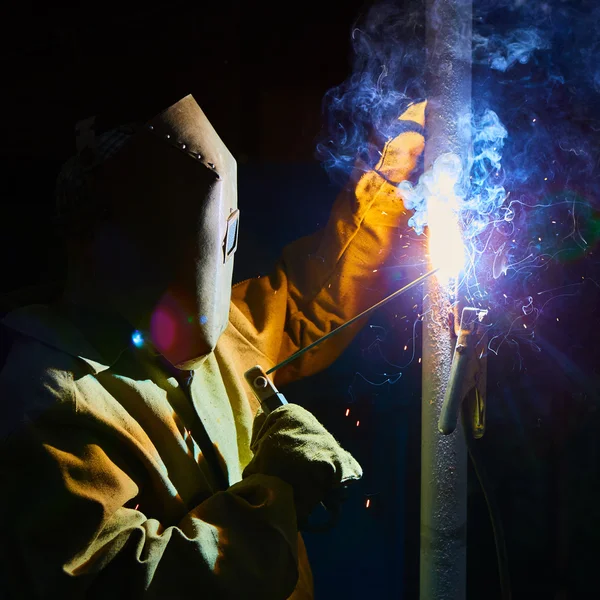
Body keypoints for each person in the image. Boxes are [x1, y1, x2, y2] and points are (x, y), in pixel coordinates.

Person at [0, 94, 426, 599]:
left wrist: (384, 181)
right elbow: (131, 581)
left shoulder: (213, 332)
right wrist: (278, 491)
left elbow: (309, 303)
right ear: (96, 241)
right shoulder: (46, 395)